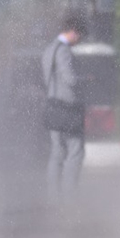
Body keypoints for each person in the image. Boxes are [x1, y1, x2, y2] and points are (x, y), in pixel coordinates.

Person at [41, 12, 88, 203]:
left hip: (53, 107)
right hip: (67, 109)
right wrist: (85, 80)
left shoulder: (48, 49)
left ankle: (54, 197)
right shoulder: (64, 51)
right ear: (74, 32)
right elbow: (69, 79)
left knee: (56, 153)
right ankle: (70, 198)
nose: (79, 40)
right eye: (80, 36)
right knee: (76, 152)